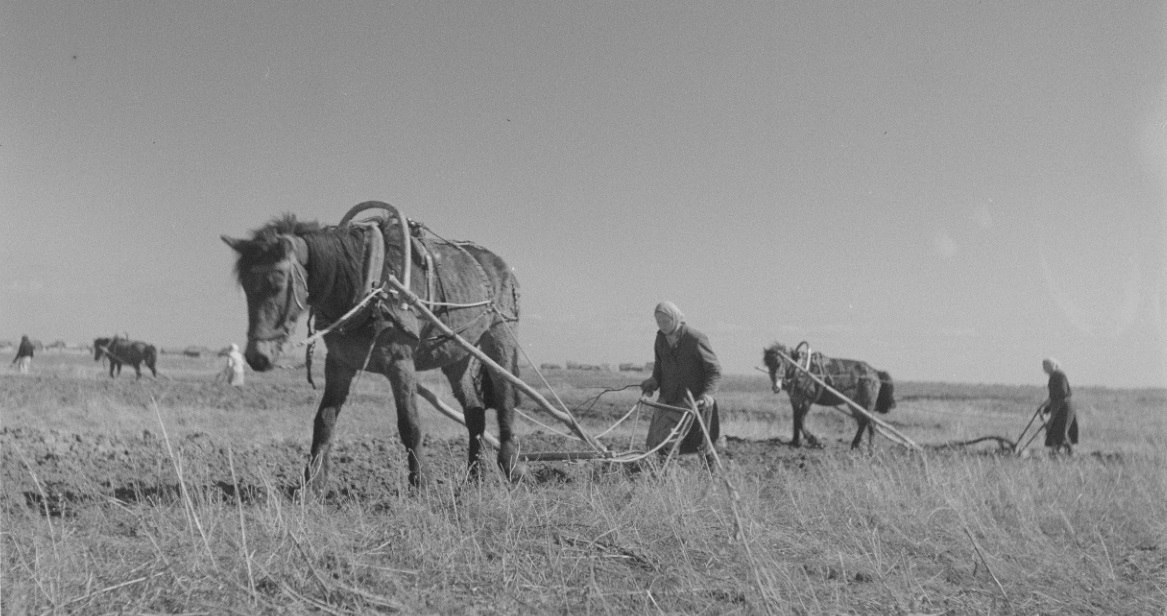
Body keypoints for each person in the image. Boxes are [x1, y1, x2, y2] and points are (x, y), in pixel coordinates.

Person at [639, 301, 722, 468]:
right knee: (658, 443)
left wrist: (708, 394)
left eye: (665, 321)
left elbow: (714, 369)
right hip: (667, 400)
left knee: (703, 446)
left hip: (692, 403)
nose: (661, 325)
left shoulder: (695, 339)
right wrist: (653, 381)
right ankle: (666, 484)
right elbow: (659, 365)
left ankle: (711, 480)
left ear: (675, 318)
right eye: (658, 321)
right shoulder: (660, 339)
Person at [1041, 357, 1078, 455]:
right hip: (1059, 406)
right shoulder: (1053, 376)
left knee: (1060, 430)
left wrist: (1048, 404)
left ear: (1053, 365)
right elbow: (1053, 395)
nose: (1044, 368)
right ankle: (1056, 452)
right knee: (1054, 430)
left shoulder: (1059, 375)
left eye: (1046, 365)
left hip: (1064, 406)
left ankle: (1069, 453)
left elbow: (1062, 393)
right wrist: (1046, 408)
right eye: (1043, 366)